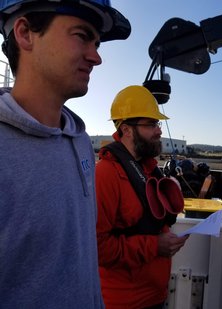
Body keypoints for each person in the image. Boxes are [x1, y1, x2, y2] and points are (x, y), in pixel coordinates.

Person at [0, 1, 129, 307]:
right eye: (82, 36)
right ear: (25, 33)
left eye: (96, 43)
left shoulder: (80, 140)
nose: (96, 57)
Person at [95, 85, 189, 308]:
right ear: (127, 130)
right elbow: (99, 248)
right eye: (150, 124)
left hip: (156, 296)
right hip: (123, 301)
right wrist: (155, 246)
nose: (158, 130)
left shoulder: (148, 170)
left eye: (157, 123)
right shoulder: (106, 175)